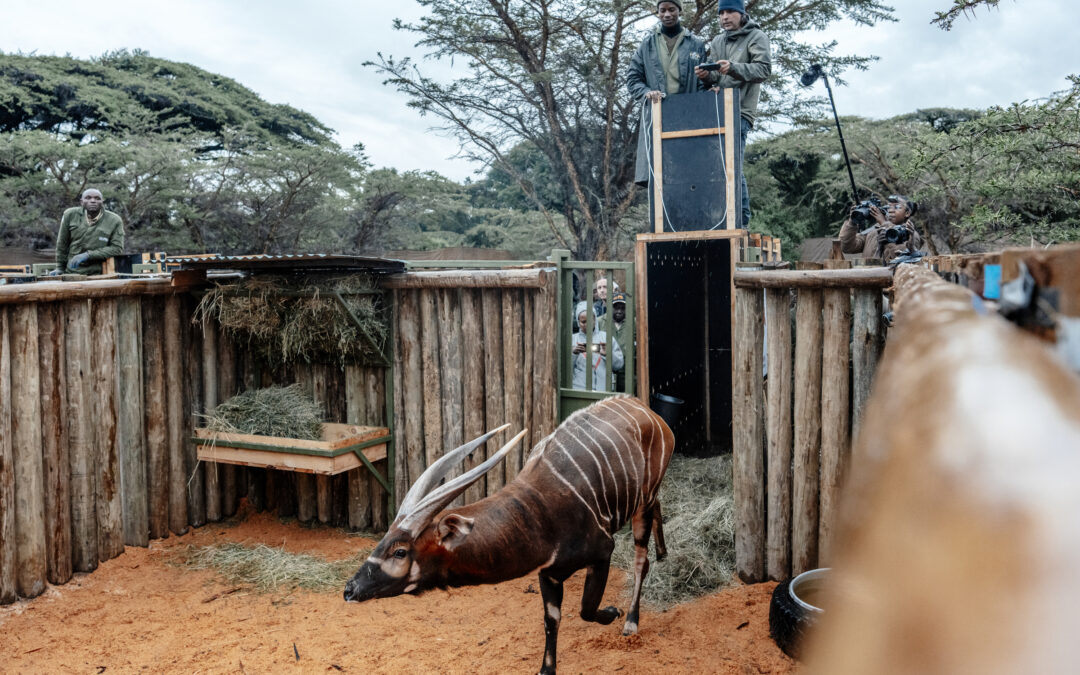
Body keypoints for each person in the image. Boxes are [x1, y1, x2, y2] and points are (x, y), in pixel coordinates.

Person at [693, 0, 772, 226]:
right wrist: (707, 77)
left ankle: (742, 222)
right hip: (718, 109)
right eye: (721, 13)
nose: (724, 17)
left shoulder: (757, 36)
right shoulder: (718, 40)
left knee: (732, 165)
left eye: (729, 12)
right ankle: (720, 218)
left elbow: (764, 70)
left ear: (741, 12)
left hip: (741, 111)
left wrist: (734, 67)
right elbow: (718, 77)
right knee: (717, 166)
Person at [627, 0, 708, 187]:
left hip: (687, 117)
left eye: (672, 9)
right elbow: (633, 79)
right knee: (658, 175)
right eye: (662, 10)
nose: (667, 14)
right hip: (657, 116)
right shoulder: (647, 44)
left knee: (687, 175)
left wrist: (710, 90)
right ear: (657, 13)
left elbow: (704, 82)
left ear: (680, 11)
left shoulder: (695, 44)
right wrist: (647, 93)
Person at [54, 188, 125, 275]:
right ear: (81, 202)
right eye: (88, 198)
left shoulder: (114, 220)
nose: (93, 201)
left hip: (100, 273)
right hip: (72, 272)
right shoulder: (70, 214)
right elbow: (62, 243)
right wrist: (59, 268)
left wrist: (88, 255)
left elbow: (117, 248)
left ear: (102, 202)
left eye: (97, 198)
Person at [839, 195, 925, 262]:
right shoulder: (874, 231)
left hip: (892, 282)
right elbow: (847, 247)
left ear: (907, 213)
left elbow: (902, 258)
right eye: (888, 207)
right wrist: (852, 222)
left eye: (897, 207)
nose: (890, 210)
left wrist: (885, 224)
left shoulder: (910, 234)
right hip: (867, 279)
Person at [571, 301, 624, 392]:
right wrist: (574, 354)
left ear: (595, 319)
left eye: (590, 320)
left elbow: (619, 365)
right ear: (578, 322)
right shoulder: (572, 340)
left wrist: (608, 354)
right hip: (579, 390)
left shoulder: (606, 338)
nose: (587, 324)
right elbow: (564, 369)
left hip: (604, 391)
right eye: (583, 322)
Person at [597, 291, 629, 392]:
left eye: (622, 307)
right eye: (616, 307)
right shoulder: (599, 322)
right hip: (604, 372)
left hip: (626, 375)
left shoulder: (634, 323)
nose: (619, 311)